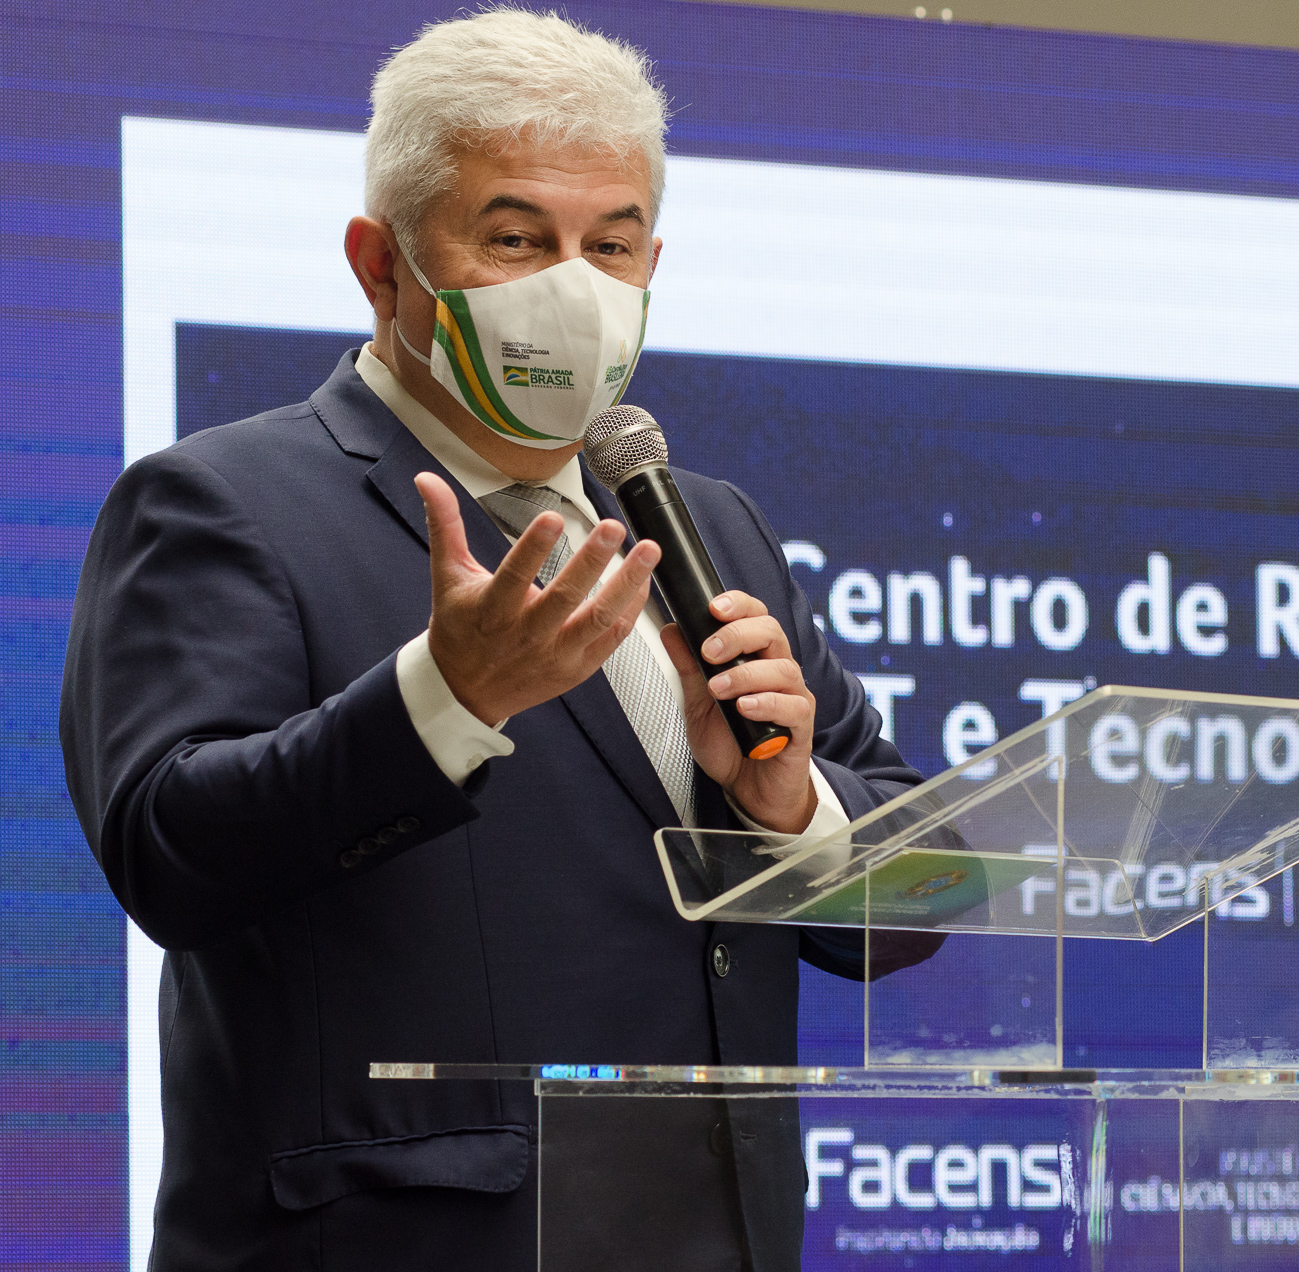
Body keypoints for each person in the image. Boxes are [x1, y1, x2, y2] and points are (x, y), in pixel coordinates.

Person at [60, 10, 936, 1269]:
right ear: (382, 265)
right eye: (517, 238)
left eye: (611, 244)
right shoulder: (221, 503)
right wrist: (444, 699)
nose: (571, 287)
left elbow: (917, 892)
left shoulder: (714, 530)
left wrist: (791, 810)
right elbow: (171, 852)